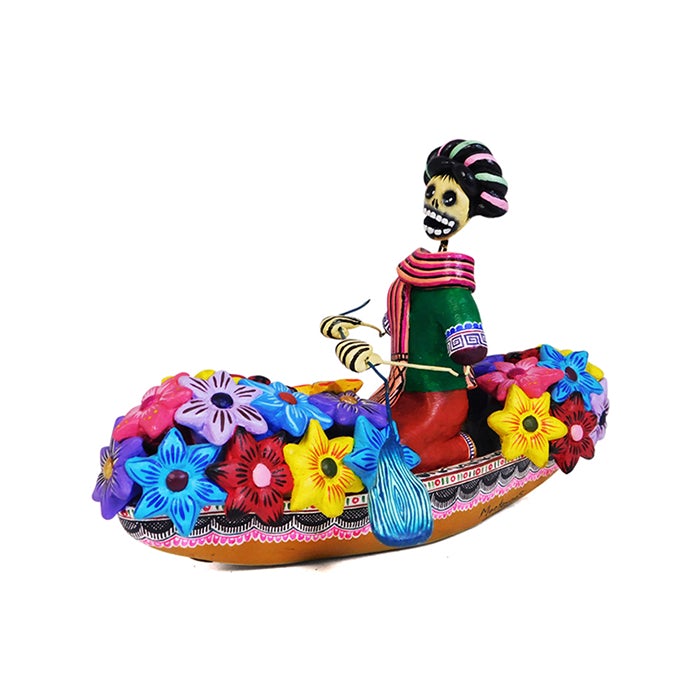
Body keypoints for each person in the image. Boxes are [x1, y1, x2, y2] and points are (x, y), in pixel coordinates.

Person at [371, 139, 509, 472]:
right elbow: (393, 326)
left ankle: (477, 442)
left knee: (401, 455)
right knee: (366, 434)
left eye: (449, 199)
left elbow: (471, 349)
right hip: (401, 391)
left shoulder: (452, 293)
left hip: (442, 399)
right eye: (431, 193)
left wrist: (463, 344)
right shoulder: (406, 282)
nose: (434, 203)